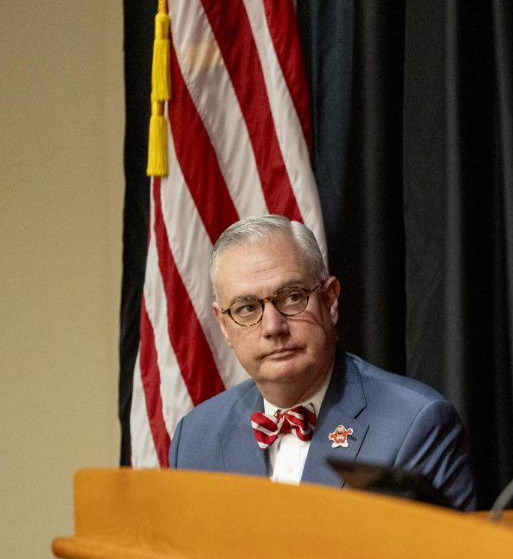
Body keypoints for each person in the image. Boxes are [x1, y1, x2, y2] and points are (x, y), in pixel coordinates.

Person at [169, 215, 476, 511]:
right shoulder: (195, 436)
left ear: (330, 300)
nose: (273, 327)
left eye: (292, 297)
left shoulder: (414, 424)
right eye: (247, 308)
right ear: (224, 326)